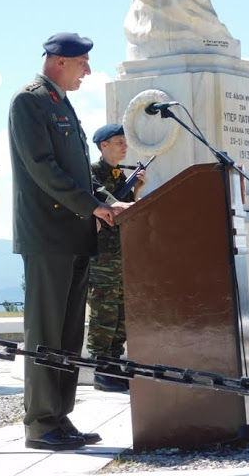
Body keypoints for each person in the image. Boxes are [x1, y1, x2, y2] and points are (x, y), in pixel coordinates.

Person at [8, 33, 127, 451]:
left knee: (68, 332)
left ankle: (60, 417)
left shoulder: (59, 102)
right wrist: (92, 206)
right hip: (48, 234)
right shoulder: (29, 101)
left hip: (76, 233)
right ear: (59, 61)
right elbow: (43, 168)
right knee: (46, 330)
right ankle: (40, 424)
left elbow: (79, 174)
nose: (88, 71)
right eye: (83, 63)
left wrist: (111, 202)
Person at [88, 124, 145, 392]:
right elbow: (109, 206)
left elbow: (129, 213)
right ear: (103, 146)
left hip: (121, 254)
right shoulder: (92, 173)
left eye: (124, 141)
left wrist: (137, 191)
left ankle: (113, 363)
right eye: (118, 141)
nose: (124, 146)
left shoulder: (121, 177)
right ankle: (101, 369)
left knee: (121, 313)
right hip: (101, 256)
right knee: (104, 313)